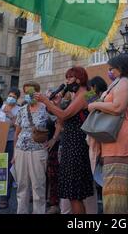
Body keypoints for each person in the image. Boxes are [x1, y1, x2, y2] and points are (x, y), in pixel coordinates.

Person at [88, 54, 128, 214]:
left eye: (111, 68)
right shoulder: (124, 82)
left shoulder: (125, 82)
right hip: (121, 141)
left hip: (120, 141)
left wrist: (95, 105)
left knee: (114, 196)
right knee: (124, 194)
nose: (109, 71)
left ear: (120, 68)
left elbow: (118, 107)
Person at [35, 67, 94, 215]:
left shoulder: (84, 95)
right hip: (70, 145)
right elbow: (62, 118)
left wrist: (45, 101)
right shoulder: (75, 95)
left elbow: (65, 114)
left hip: (77, 146)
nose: (66, 81)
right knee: (73, 194)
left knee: (75, 194)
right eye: (66, 78)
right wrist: (56, 103)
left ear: (79, 79)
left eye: (70, 78)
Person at [13, 81, 49, 214]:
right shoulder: (22, 110)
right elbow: (17, 132)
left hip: (38, 150)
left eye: (30, 92)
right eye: (25, 92)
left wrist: (53, 139)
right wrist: (14, 154)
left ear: (37, 92)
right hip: (21, 149)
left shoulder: (45, 107)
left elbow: (59, 122)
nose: (27, 95)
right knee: (22, 185)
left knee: (38, 185)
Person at [0, 88, 21, 209]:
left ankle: (4, 198)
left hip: (11, 141)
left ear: (17, 98)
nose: (11, 98)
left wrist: (10, 115)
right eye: (10, 95)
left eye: (13, 96)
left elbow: (18, 125)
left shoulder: (18, 109)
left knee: (8, 169)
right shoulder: (0, 107)